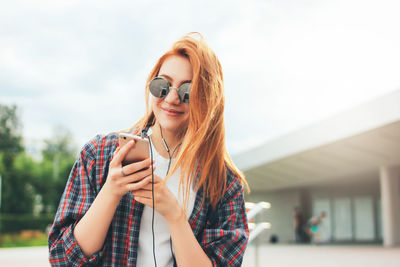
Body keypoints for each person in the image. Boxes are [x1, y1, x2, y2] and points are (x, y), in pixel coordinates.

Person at [48, 33, 250, 266]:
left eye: (188, 91)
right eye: (162, 85)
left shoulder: (223, 182)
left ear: (207, 98)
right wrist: (111, 191)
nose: (172, 98)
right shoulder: (99, 154)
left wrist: (175, 215)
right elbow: (62, 258)